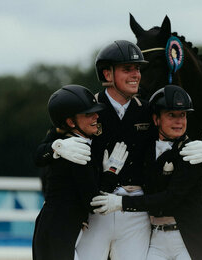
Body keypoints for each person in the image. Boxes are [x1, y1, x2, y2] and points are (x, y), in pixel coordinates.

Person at [34, 40, 202, 260]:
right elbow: (41, 153)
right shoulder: (87, 109)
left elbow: (178, 130)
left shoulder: (149, 109)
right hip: (97, 209)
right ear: (107, 74)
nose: (136, 75)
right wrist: (55, 147)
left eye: (138, 69)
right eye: (127, 69)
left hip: (136, 212)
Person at [91, 85, 202, 260]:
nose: (179, 122)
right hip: (157, 239)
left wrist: (121, 203)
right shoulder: (146, 148)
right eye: (171, 115)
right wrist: (110, 172)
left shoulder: (192, 152)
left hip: (187, 239)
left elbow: (170, 200)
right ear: (156, 119)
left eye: (182, 115)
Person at [32, 85, 129, 260]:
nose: (96, 117)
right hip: (59, 231)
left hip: (53, 226)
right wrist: (111, 173)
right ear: (71, 122)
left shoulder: (71, 140)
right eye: (88, 114)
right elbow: (92, 202)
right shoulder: (77, 150)